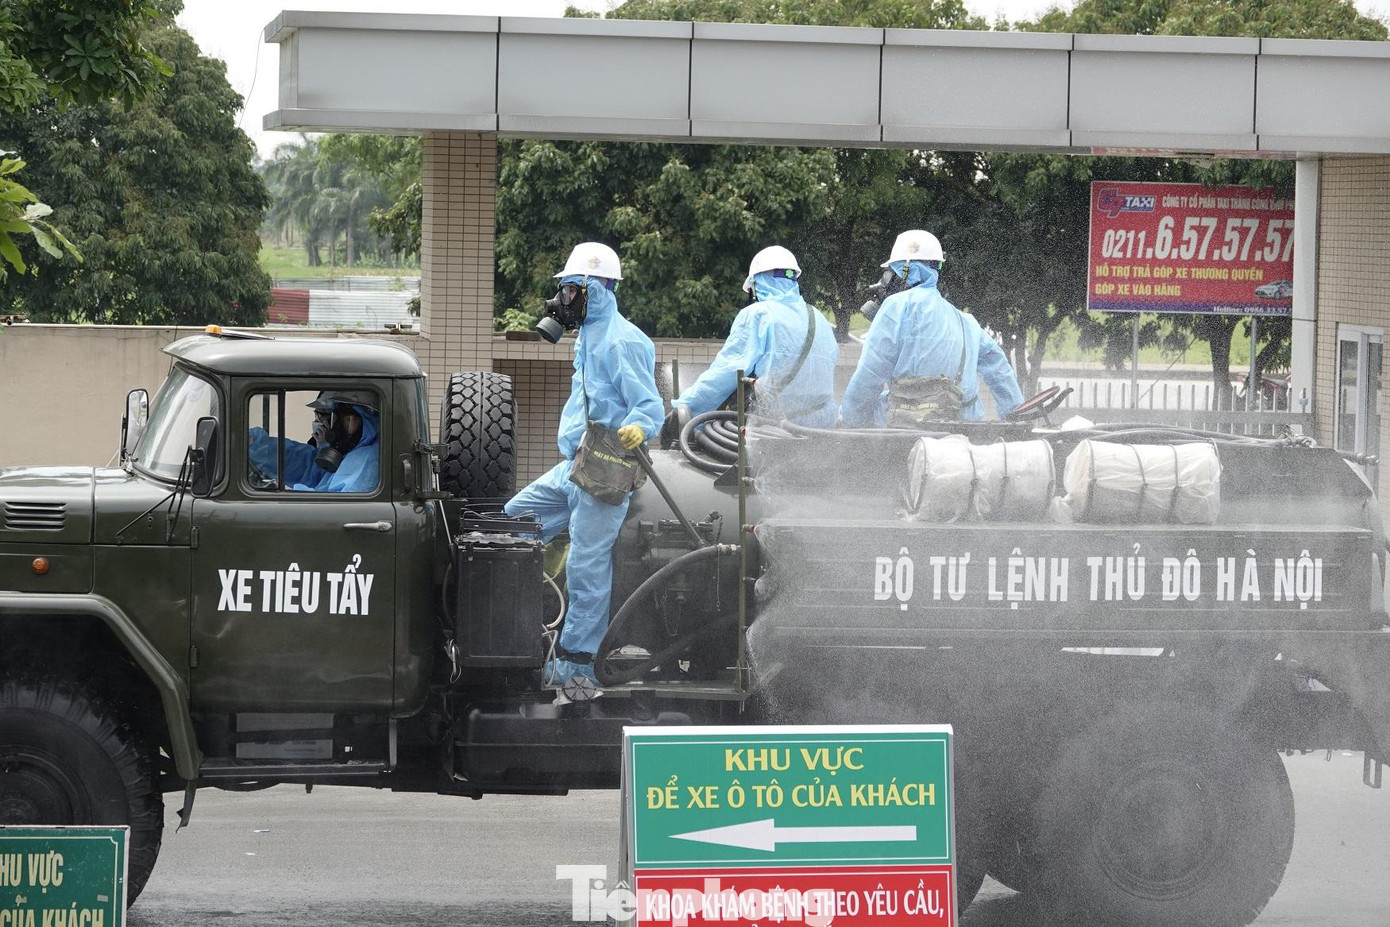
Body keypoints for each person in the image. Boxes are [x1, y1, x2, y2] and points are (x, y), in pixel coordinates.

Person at [504, 242, 664, 689]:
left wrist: (639, 426)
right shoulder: (589, 335)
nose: (562, 299)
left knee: (587, 566)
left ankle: (578, 662)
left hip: (607, 466)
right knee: (514, 522)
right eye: (564, 289)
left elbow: (648, 404)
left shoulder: (625, 340)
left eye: (571, 289)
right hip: (574, 464)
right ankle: (533, 613)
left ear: (596, 288)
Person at [839, 230, 1023, 427]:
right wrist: (1015, 414)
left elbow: (870, 373)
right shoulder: (966, 321)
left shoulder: (895, 307)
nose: (884, 283)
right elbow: (999, 369)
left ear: (906, 270)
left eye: (888, 274)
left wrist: (850, 418)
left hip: (906, 430)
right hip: (963, 429)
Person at [671, 245, 838, 428]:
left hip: (774, 428)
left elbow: (727, 371)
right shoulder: (819, 318)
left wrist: (686, 407)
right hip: (822, 428)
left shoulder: (758, 314)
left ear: (756, 283)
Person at [248, 390, 381, 493]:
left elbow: (334, 505)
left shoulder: (367, 458)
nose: (332, 425)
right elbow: (306, 466)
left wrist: (281, 493)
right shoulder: (353, 450)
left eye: (338, 418)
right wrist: (256, 445)